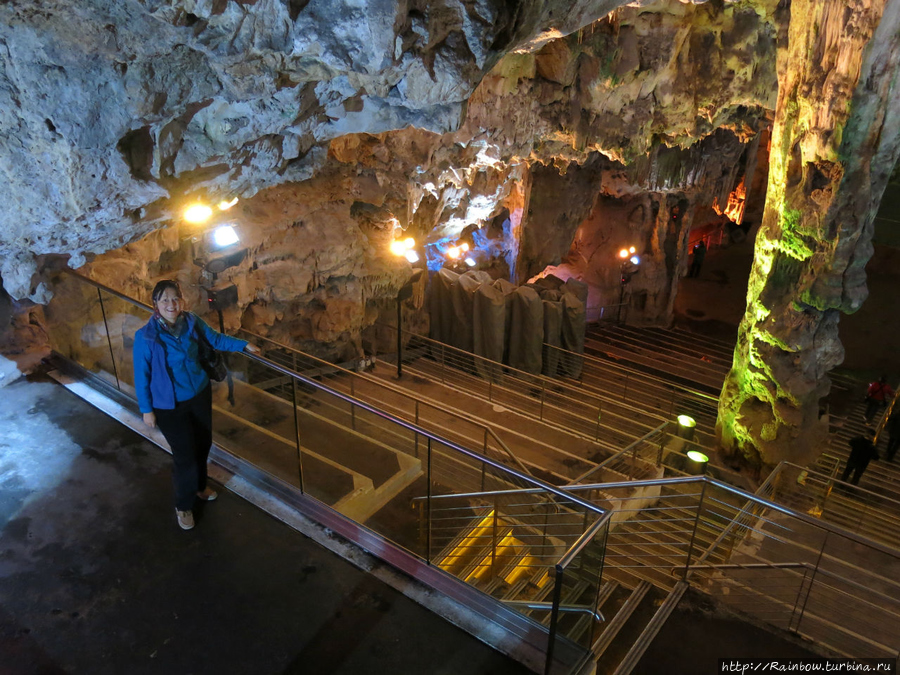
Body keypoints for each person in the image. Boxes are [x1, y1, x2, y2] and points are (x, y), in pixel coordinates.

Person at [133, 280, 260, 530]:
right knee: (185, 456)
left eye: (175, 298)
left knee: (203, 444)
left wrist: (243, 345)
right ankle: (183, 505)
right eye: (165, 300)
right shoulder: (146, 337)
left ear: (182, 300)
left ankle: (200, 487)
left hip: (199, 394)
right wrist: (146, 409)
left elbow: (215, 339)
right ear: (156, 305)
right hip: (169, 406)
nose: (171, 304)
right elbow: (142, 375)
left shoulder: (191, 322)